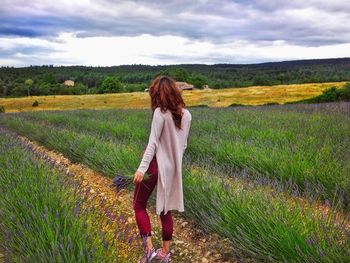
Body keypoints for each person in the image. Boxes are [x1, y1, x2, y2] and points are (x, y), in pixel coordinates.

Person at [133, 75, 192, 263]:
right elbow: (183, 145)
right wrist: (174, 166)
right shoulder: (187, 115)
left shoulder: (160, 113)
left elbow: (152, 144)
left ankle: (149, 251)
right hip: (172, 168)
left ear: (157, 94)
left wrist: (142, 169)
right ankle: (165, 254)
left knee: (139, 205)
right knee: (166, 211)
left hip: (154, 166)